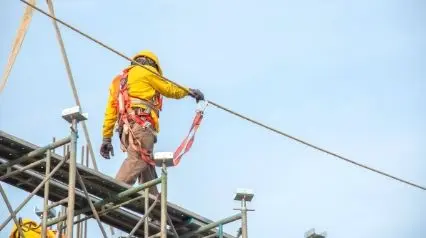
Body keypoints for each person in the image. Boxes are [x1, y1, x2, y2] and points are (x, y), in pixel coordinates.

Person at [100, 50, 204, 194]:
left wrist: (106, 138)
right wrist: (188, 91)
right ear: (152, 64)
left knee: (146, 166)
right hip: (141, 126)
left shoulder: (117, 81)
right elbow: (168, 88)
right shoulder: (146, 71)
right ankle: (111, 194)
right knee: (138, 161)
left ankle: (155, 207)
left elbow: (110, 112)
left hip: (126, 130)